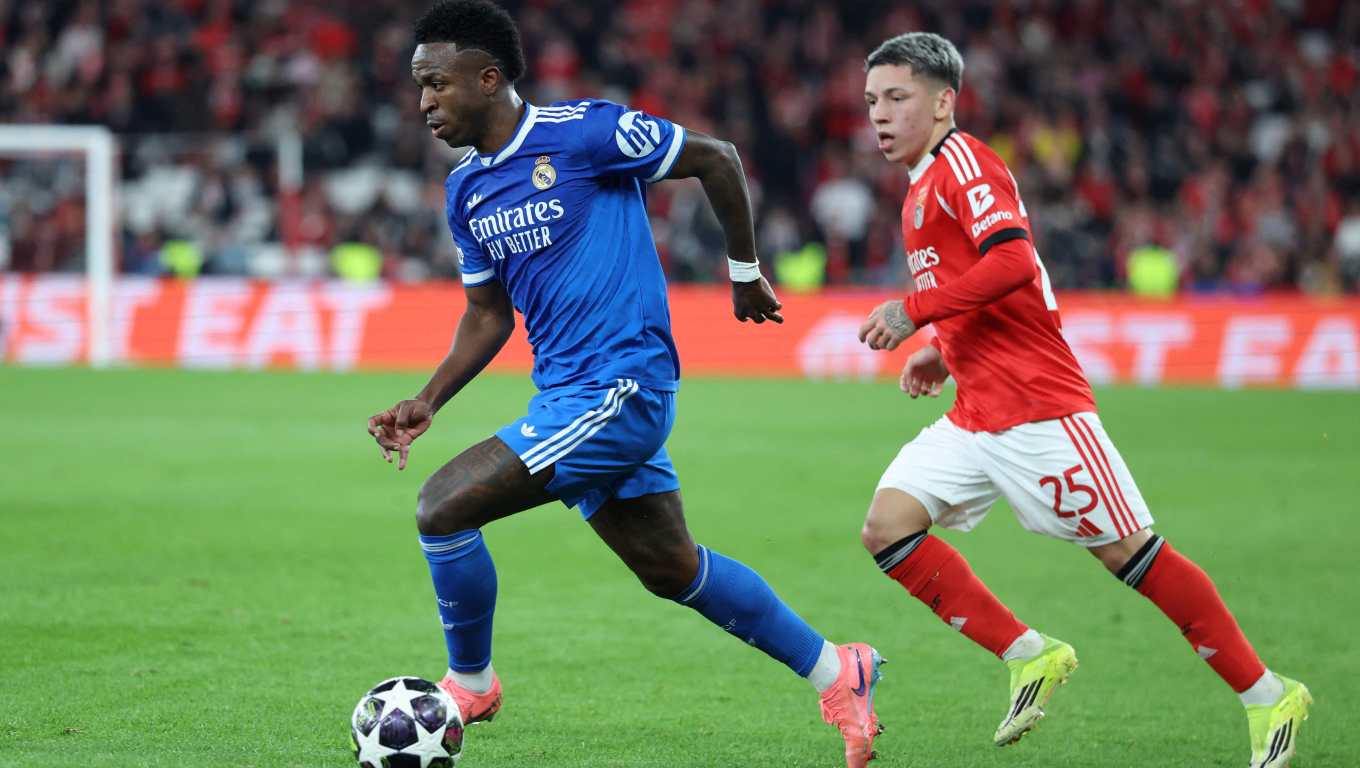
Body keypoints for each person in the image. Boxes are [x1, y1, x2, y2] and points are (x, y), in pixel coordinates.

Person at [367, 2, 884, 765]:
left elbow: (718, 157)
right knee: (672, 569)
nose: (424, 104)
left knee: (442, 508)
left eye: (437, 85)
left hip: (620, 390)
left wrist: (743, 273)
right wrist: (428, 399)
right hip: (566, 397)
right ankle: (839, 670)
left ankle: (470, 683)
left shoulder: (582, 133)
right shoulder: (467, 191)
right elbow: (487, 314)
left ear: (487, 77)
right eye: (419, 88)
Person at [854, 31, 1311, 767]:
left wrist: (916, 310)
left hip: (1040, 408)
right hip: (978, 409)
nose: (879, 114)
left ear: (943, 103)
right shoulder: (921, 185)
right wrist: (944, 348)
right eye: (872, 100)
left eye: (897, 98)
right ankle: (1030, 654)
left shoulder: (965, 163)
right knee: (888, 528)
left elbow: (1015, 258)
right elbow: (1008, 288)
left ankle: (1268, 696)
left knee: (1132, 554)